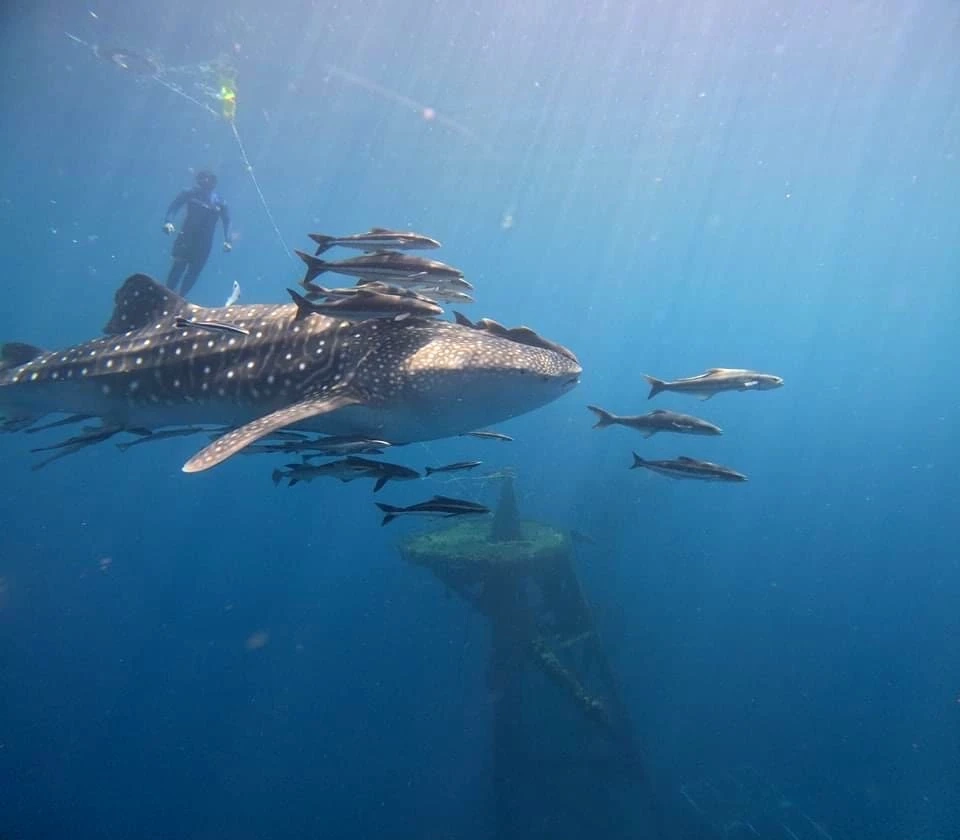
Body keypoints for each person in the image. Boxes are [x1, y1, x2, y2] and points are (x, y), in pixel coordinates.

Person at [163, 170, 232, 297]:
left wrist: (228, 240)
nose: (206, 182)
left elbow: (227, 221)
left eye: (210, 179)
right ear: (199, 180)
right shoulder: (189, 193)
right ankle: (165, 297)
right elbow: (175, 206)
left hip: (203, 243)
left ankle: (180, 300)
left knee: (194, 271)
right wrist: (168, 222)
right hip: (186, 238)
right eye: (203, 178)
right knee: (179, 266)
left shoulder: (220, 202)